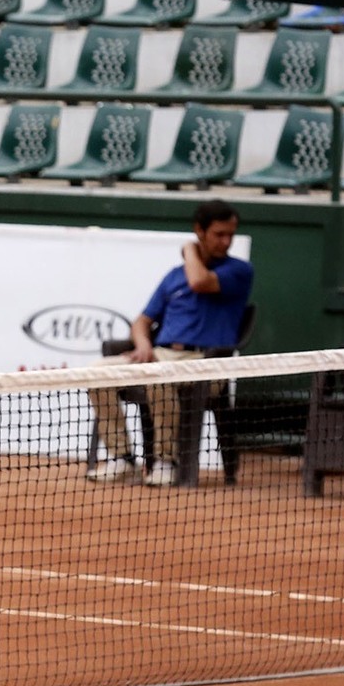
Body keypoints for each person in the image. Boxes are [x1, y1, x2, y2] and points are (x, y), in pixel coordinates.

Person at [86, 199, 254, 487]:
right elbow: (141, 322)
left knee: (158, 376)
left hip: (207, 364)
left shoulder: (239, 271)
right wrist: (143, 346)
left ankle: (166, 461)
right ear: (200, 230)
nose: (226, 241)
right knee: (98, 371)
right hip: (162, 355)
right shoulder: (173, 277)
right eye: (219, 234)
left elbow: (199, 281)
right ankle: (121, 459)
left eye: (230, 234)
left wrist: (190, 249)